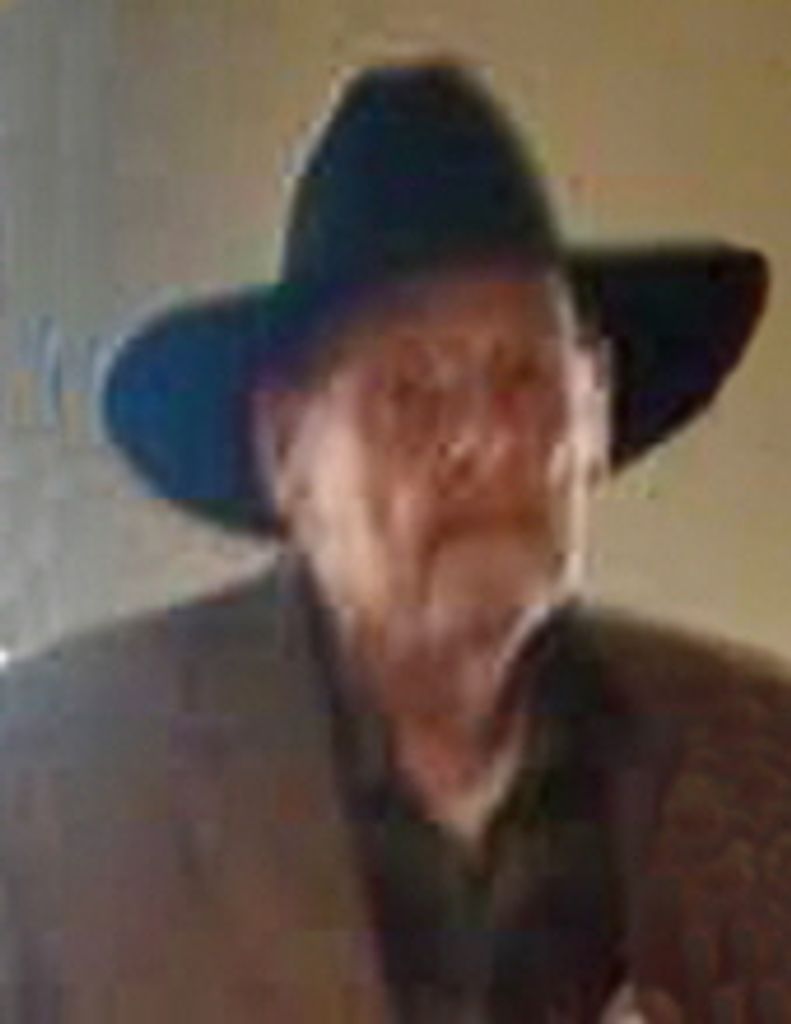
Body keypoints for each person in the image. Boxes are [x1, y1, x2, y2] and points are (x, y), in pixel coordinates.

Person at [0, 59, 786, 1022]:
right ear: (283, 448)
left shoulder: (758, 761)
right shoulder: (51, 775)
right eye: (410, 393)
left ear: (595, 417)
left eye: (526, 380)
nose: (486, 441)